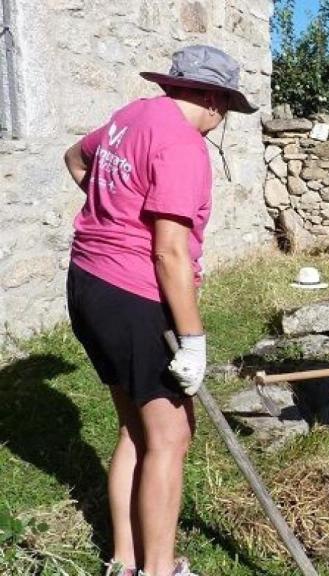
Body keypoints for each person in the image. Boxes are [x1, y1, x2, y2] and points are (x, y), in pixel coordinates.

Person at [63, 45, 257, 576]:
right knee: (171, 437)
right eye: (225, 111)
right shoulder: (183, 145)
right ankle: (160, 569)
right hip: (134, 295)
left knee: (135, 429)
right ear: (214, 99)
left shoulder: (131, 117)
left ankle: (125, 561)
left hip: (87, 282)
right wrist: (192, 341)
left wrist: (111, 215)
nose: (221, 122)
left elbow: (75, 158)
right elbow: (168, 251)